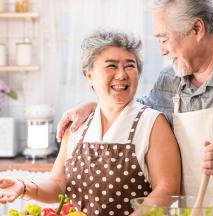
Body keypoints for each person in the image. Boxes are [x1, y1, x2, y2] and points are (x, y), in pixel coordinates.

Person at [57, 0, 213, 215]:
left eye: (163, 38)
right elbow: (137, 110)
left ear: (197, 29)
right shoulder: (171, 79)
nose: (161, 50)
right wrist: (94, 105)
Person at [0, 30, 181, 216]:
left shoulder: (152, 123)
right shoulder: (78, 125)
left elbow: (167, 189)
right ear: (89, 75)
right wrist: (23, 187)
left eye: (130, 66)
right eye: (111, 66)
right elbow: (57, 184)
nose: (121, 75)